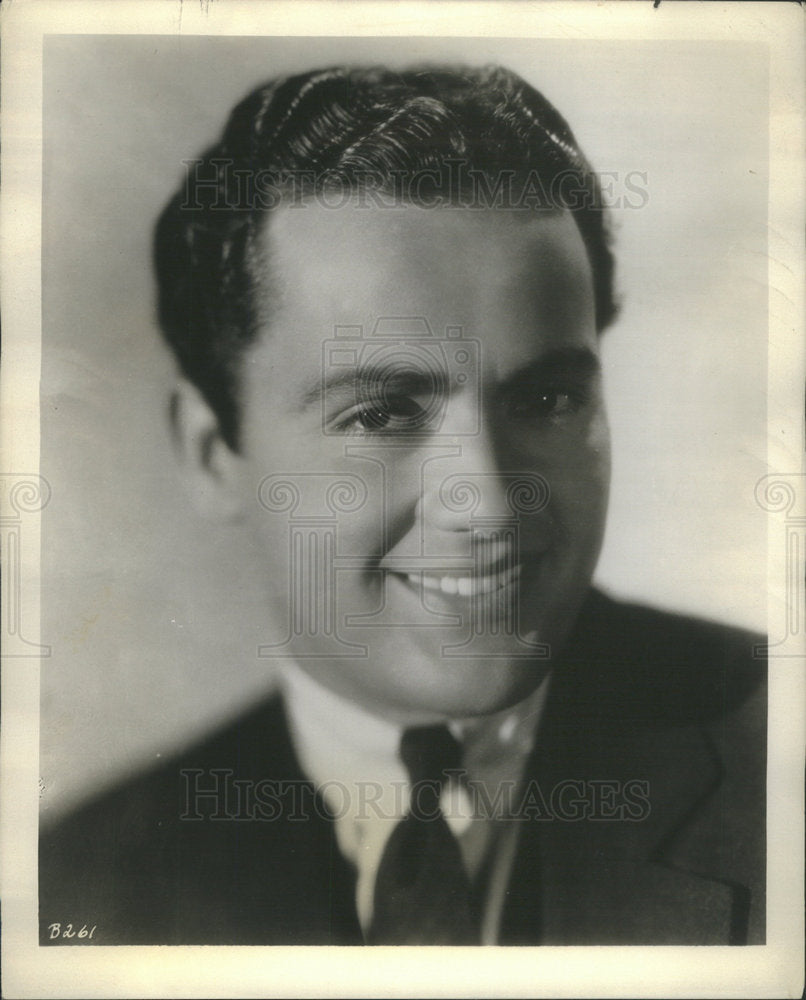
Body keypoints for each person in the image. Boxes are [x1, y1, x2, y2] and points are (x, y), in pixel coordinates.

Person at [40, 64, 766, 946]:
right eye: (381, 413)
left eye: (546, 401)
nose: (490, 505)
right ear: (214, 454)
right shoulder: (76, 887)